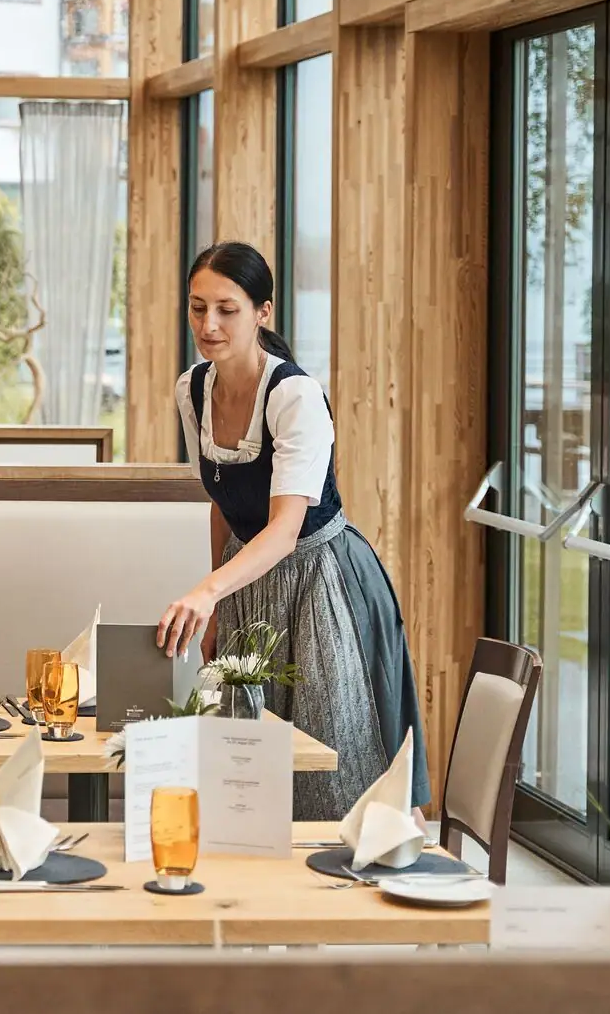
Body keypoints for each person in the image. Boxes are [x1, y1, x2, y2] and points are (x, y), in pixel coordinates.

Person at [156, 241, 427, 820]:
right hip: (247, 581)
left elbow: (284, 529)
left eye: (227, 309)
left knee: (332, 761)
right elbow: (222, 502)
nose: (209, 324)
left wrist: (207, 593)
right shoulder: (192, 389)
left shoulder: (294, 395)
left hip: (320, 580)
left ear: (263, 312)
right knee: (243, 764)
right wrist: (222, 600)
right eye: (198, 307)